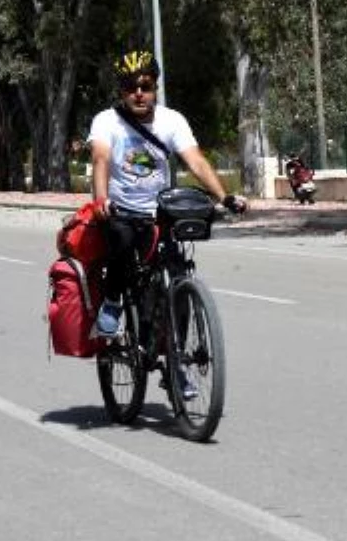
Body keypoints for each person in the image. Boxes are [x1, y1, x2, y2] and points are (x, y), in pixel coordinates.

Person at [87, 50, 247, 358]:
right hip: (122, 211)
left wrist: (224, 197)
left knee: (178, 277)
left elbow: (196, 162)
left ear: (155, 88)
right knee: (120, 241)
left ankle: (178, 361)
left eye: (145, 86)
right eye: (131, 86)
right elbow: (101, 158)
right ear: (121, 90)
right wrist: (101, 199)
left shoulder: (172, 120)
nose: (139, 93)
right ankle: (112, 301)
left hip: (161, 214)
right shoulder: (107, 121)